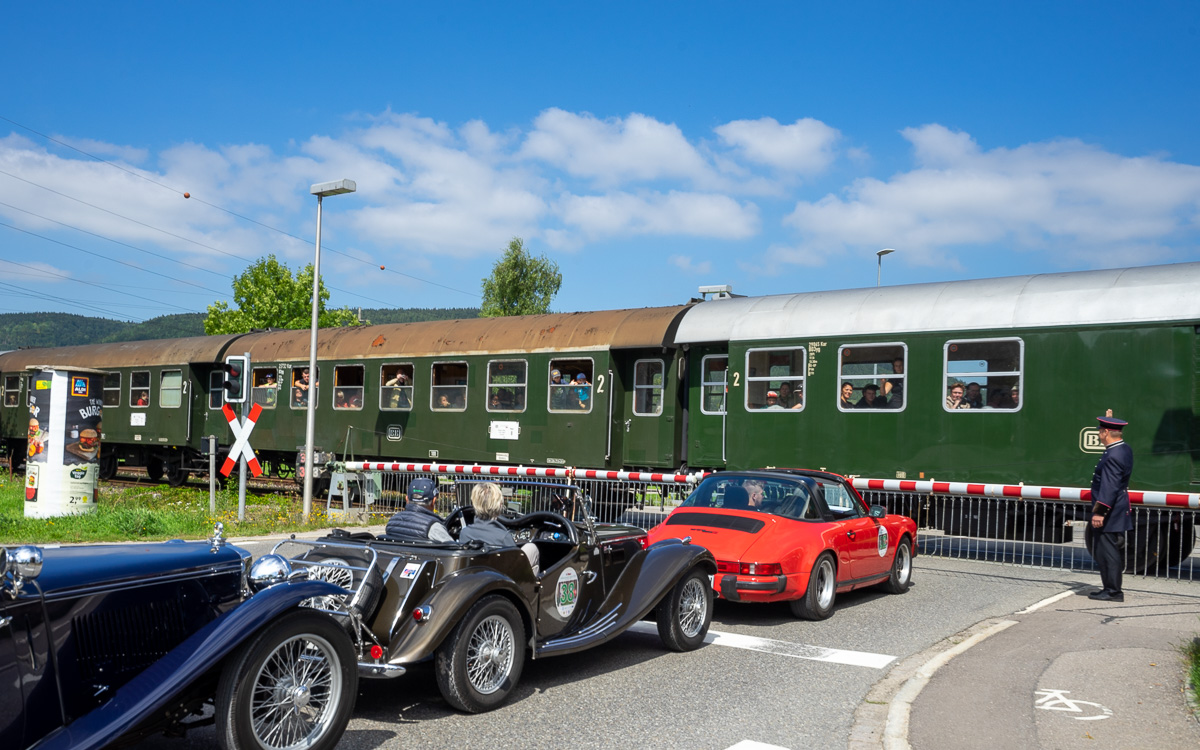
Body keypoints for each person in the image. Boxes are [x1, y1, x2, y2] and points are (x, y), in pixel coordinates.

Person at [1087, 411, 1133, 602]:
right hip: (1117, 507)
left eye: (1100, 431)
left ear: (1106, 432)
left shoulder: (1113, 455)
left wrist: (1100, 512)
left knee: (1108, 551)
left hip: (1110, 511)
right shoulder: (1123, 449)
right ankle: (1110, 588)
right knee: (1105, 550)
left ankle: (1113, 591)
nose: (1098, 435)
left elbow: (1109, 486)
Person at [459, 482, 540, 575]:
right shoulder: (503, 537)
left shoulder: (464, 533)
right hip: (503, 581)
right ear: (499, 505)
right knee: (532, 548)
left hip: (476, 578)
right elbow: (515, 563)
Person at [385, 478, 453, 542]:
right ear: (433, 501)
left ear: (407, 499)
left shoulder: (392, 522)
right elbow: (454, 551)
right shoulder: (434, 527)